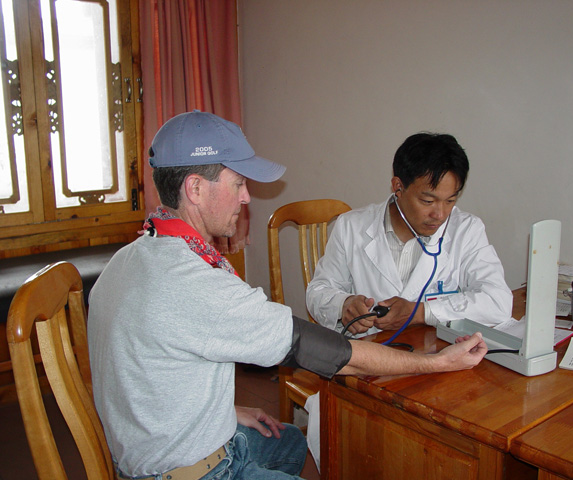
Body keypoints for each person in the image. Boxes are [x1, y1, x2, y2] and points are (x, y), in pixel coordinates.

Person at [87, 111, 488, 480]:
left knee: (292, 442)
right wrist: (433, 364)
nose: (247, 197)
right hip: (190, 471)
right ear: (195, 188)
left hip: (155, 443)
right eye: (239, 183)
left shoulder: (130, 258)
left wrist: (221, 413)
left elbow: (146, 370)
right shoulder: (196, 283)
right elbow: (316, 349)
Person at [306, 132, 512, 338]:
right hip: (370, 353)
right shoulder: (351, 226)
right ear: (398, 187)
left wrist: (421, 312)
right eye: (428, 201)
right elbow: (317, 292)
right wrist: (344, 304)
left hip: (435, 355)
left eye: (450, 201)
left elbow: (497, 301)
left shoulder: (466, 230)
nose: (440, 215)